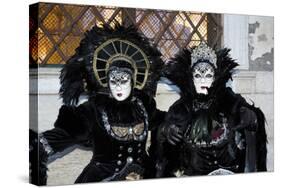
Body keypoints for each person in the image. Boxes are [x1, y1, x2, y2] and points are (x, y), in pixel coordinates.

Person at [29, 24, 165, 185]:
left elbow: (163, 121)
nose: (118, 86)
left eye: (123, 80)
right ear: (107, 82)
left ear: (133, 80)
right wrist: (36, 148)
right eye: (113, 81)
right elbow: (54, 139)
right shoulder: (93, 110)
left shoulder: (142, 105)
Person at [156, 43, 267, 177]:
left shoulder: (230, 101)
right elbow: (166, 157)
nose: (203, 80)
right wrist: (165, 132)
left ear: (215, 78)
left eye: (208, 76)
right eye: (198, 76)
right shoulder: (180, 109)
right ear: (191, 78)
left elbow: (253, 124)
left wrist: (251, 116)